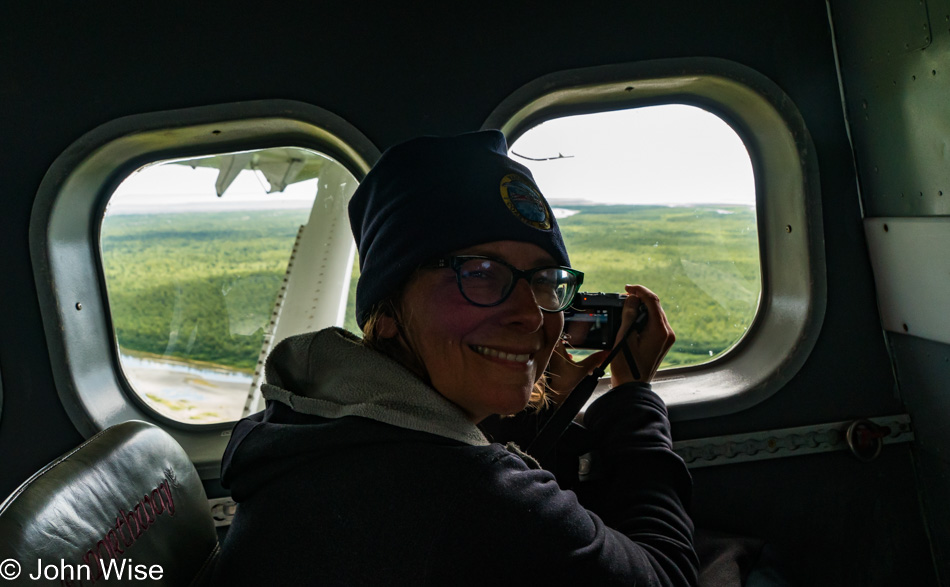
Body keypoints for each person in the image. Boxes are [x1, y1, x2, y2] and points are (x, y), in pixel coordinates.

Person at [214, 131, 698, 586]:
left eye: (545, 280)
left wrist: (549, 389)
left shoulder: (315, 422)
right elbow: (668, 576)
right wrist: (634, 396)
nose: (531, 315)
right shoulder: (472, 496)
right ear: (387, 315)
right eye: (481, 273)